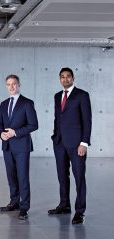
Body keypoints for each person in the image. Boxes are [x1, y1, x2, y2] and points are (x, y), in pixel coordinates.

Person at [48, 67, 92, 225]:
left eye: (68, 77)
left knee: (79, 177)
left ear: (73, 78)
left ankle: (79, 212)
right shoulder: (57, 96)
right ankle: (64, 205)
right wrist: (55, 137)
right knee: (62, 176)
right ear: (59, 79)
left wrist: (84, 143)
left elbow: (87, 120)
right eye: (62, 77)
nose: (65, 79)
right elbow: (57, 118)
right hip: (59, 143)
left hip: (76, 144)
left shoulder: (82, 95)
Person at [0, 74, 38, 220]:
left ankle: (24, 207)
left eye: (14, 84)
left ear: (19, 85)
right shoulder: (3, 104)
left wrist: (15, 133)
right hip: (7, 146)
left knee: (23, 177)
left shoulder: (27, 103)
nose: (11, 87)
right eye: (8, 84)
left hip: (22, 146)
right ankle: (14, 202)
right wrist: (1, 133)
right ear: (6, 86)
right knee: (11, 176)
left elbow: (33, 125)